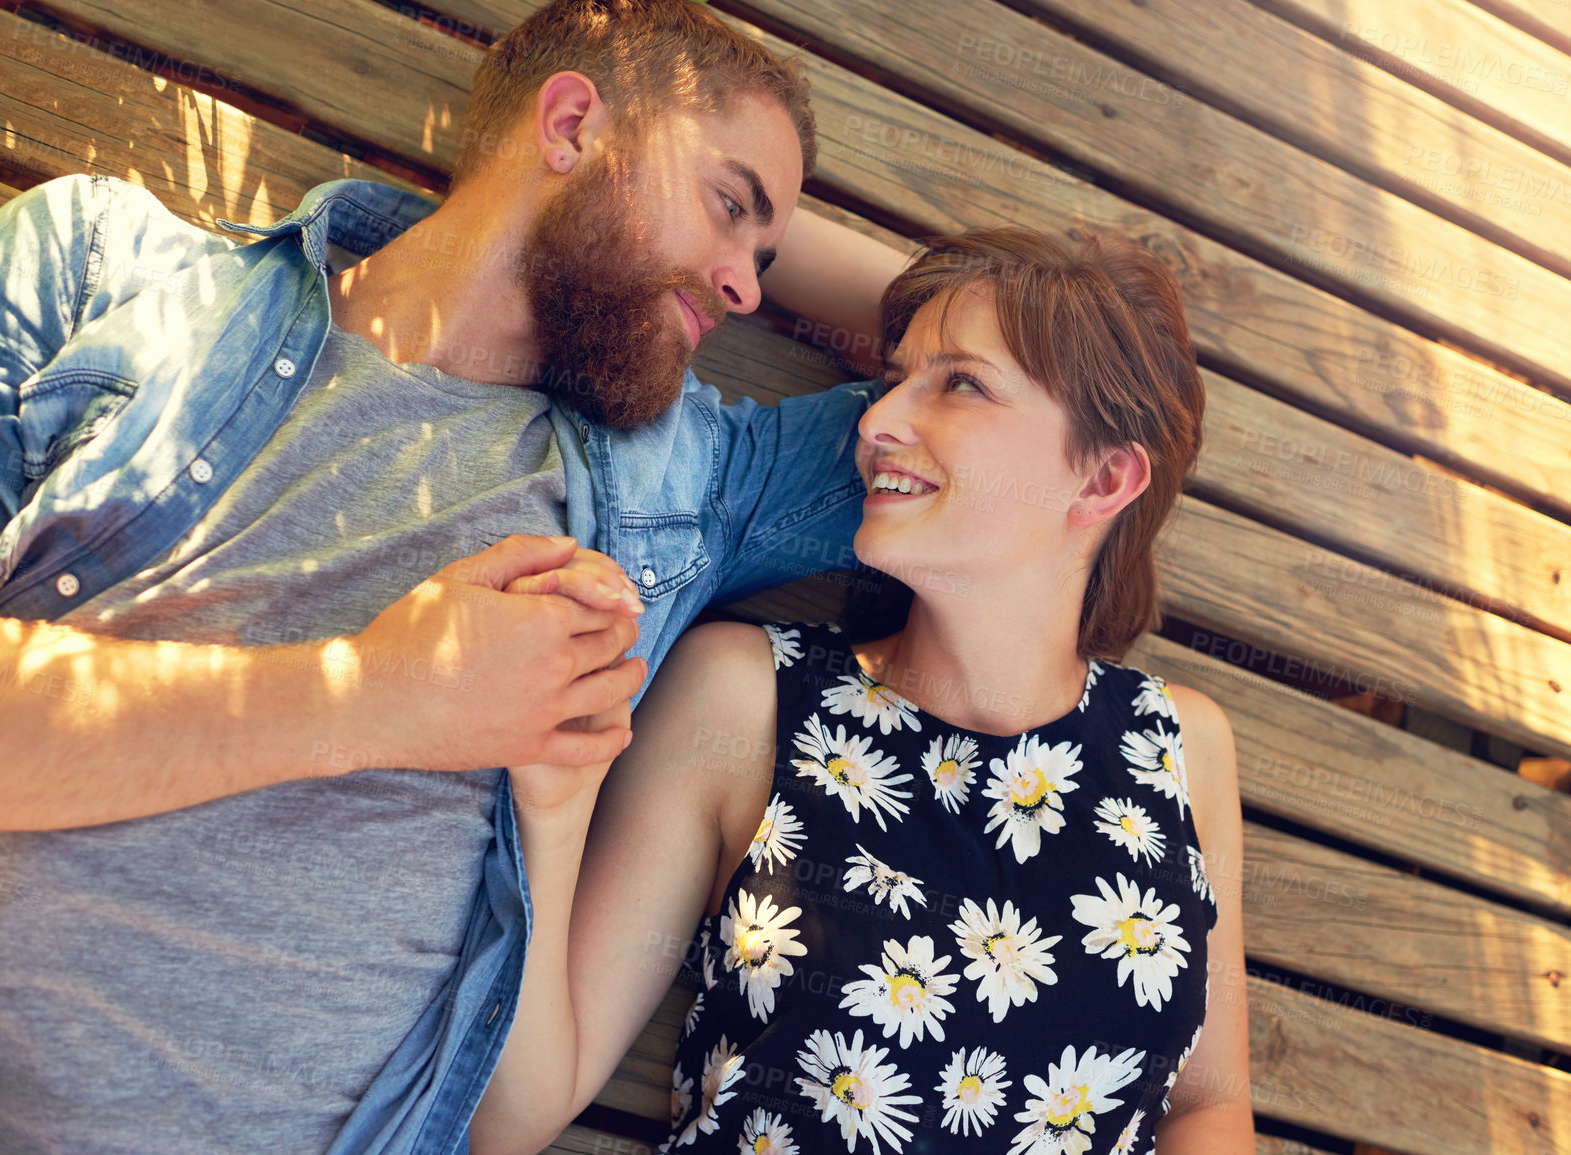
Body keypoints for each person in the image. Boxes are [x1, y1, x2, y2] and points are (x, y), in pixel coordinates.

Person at [0, 1, 908, 1151]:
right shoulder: (102, 268)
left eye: (764, 264)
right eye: (728, 204)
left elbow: (1026, 380)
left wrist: (747, 226)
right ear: (570, 124)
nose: (744, 291)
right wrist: (375, 693)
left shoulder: (688, 484)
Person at [476, 228, 1255, 1154]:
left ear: (1105, 476)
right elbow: (513, 1116)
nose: (875, 420)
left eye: (959, 383)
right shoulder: (745, 698)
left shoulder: (1180, 747)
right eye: (896, 376)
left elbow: (1204, 1101)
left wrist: (1056, 302)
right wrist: (551, 812)